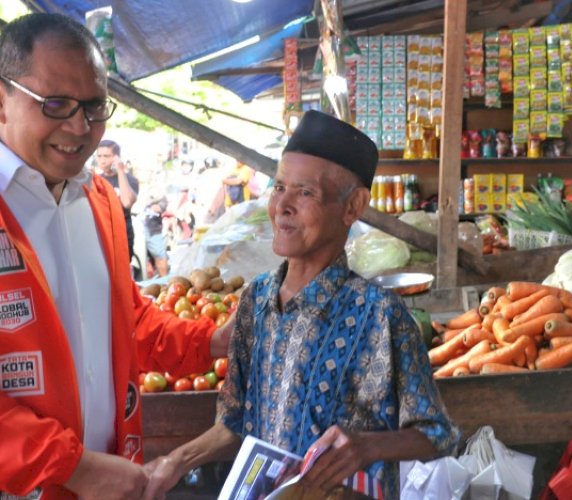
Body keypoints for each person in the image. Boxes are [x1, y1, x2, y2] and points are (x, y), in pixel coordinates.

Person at [0, 13, 231, 500]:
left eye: (94, 106)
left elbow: (123, 320)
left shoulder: (99, 199)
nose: (80, 127)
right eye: (57, 104)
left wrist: (211, 341)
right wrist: (74, 467)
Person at [141, 111, 460, 500]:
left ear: (353, 206)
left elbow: (439, 434)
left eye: (305, 192)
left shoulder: (380, 315)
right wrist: (175, 461)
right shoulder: (256, 301)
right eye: (279, 187)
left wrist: (367, 447)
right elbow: (235, 423)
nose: (282, 206)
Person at [94, 139, 139, 260]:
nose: (102, 160)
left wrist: (120, 170)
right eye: (99, 156)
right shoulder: (96, 180)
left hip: (122, 235)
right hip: (102, 234)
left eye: (106, 156)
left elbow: (127, 202)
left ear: (116, 157)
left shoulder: (129, 180)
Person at [144, 193, 169, 277]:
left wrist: (151, 201)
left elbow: (158, 208)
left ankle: (164, 279)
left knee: (160, 256)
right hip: (145, 230)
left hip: (154, 231)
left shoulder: (161, 197)